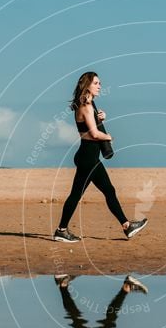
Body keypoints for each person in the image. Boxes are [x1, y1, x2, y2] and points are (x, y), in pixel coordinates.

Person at [53, 72, 148, 243]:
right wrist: (109, 137)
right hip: (88, 158)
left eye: (100, 83)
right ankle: (126, 226)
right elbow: (95, 134)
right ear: (87, 85)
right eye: (96, 83)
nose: (99, 86)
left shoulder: (89, 105)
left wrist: (99, 118)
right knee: (95, 192)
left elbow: (91, 126)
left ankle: (126, 226)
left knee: (85, 193)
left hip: (87, 157)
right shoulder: (86, 106)